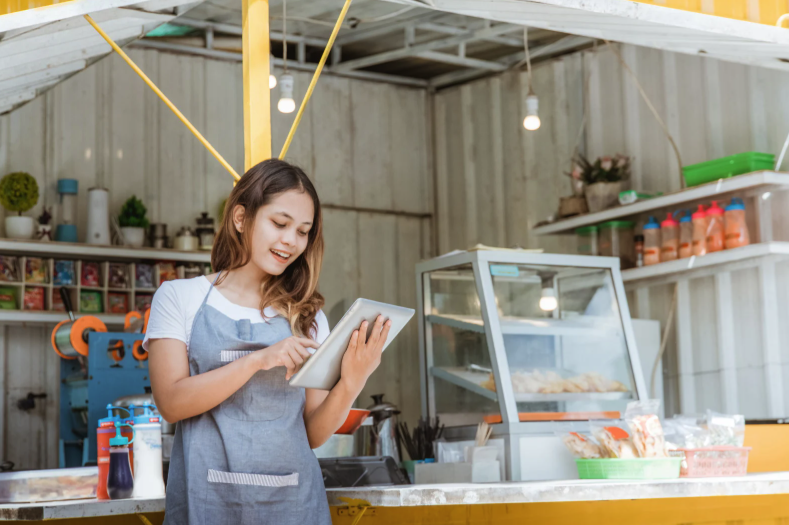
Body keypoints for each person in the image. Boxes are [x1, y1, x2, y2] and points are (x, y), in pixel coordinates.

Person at [144, 159, 391, 524]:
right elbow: (171, 402)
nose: (291, 241)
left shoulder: (308, 317)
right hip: (207, 505)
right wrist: (258, 360)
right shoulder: (179, 298)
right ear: (240, 218)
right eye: (280, 223)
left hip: (295, 507)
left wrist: (353, 381)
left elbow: (313, 434)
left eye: (303, 231)